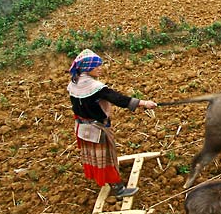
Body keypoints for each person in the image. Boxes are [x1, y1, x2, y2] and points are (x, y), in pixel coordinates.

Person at [67, 49, 158, 198]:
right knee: (107, 158)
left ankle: (102, 177)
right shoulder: (94, 88)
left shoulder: (75, 82)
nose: (100, 69)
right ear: (88, 68)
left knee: (94, 156)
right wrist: (144, 103)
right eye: (97, 66)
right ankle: (118, 189)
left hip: (82, 128)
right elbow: (117, 99)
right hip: (97, 130)